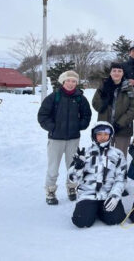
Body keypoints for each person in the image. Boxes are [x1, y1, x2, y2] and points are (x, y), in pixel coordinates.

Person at [37, 70, 92, 205]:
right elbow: (43, 115)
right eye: (68, 80)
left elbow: (87, 115)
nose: (71, 83)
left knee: (72, 166)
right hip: (56, 138)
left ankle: (72, 188)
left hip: (73, 138)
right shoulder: (53, 97)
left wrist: (80, 125)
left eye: (74, 81)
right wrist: (53, 127)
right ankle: (50, 190)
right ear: (63, 82)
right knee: (53, 167)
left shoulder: (80, 98)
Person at [68, 122, 127, 228]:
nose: (103, 137)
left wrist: (115, 196)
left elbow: (121, 179)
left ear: (110, 135)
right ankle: (91, 210)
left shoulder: (118, 154)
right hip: (88, 194)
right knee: (81, 222)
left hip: (108, 195)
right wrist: (78, 167)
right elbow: (73, 179)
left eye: (106, 134)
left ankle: (100, 210)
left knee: (116, 219)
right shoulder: (84, 153)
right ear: (94, 135)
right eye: (99, 134)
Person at [92, 62, 134, 157]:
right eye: (114, 71)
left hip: (123, 128)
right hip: (105, 129)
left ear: (123, 73)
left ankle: (121, 172)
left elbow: (133, 108)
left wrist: (120, 123)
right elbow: (96, 105)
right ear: (110, 73)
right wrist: (104, 100)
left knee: (120, 156)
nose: (116, 73)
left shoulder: (129, 88)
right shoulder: (103, 86)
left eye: (119, 71)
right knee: (104, 157)